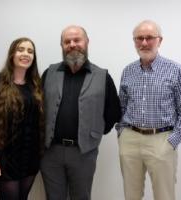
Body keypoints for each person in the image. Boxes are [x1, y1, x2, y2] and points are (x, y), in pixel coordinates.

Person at [116, 20, 181, 200]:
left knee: (164, 196)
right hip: (130, 140)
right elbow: (121, 106)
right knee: (131, 195)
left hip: (162, 140)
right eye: (139, 38)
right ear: (134, 41)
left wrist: (172, 141)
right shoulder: (128, 71)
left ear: (160, 40)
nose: (144, 43)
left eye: (149, 38)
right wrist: (122, 134)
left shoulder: (175, 70)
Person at [40, 25, 121, 200]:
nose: (72, 44)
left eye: (77, 40)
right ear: (62, 45)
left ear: (86, 42)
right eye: (67, 41)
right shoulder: (49, 73)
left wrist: (93, 132)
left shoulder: (102, 76)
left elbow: (113, 112)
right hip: (50, 152)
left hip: (84, 153)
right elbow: (38, 108)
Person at [0, 37, 44, 200]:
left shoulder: (36, 84)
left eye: (30, 51)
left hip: (30, 156)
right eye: (21, 49)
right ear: (12, 54)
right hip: (5, 157)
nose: (26, 54)